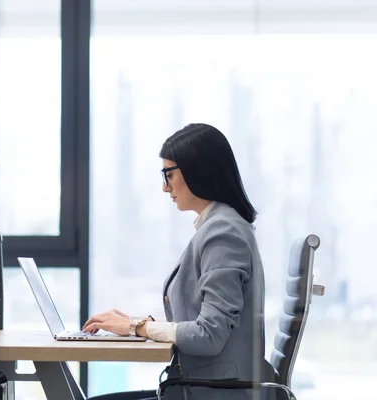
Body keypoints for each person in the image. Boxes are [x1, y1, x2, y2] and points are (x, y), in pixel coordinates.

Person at [83, 123, 275, 400]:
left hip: (215, 391)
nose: (164, 187)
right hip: (204, 385)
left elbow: (209, 334)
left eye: (169, 174)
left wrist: (136, 328)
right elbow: (200, 321)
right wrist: (138, 324)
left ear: (197, 170)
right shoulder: (217, 227)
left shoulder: (224, 232)